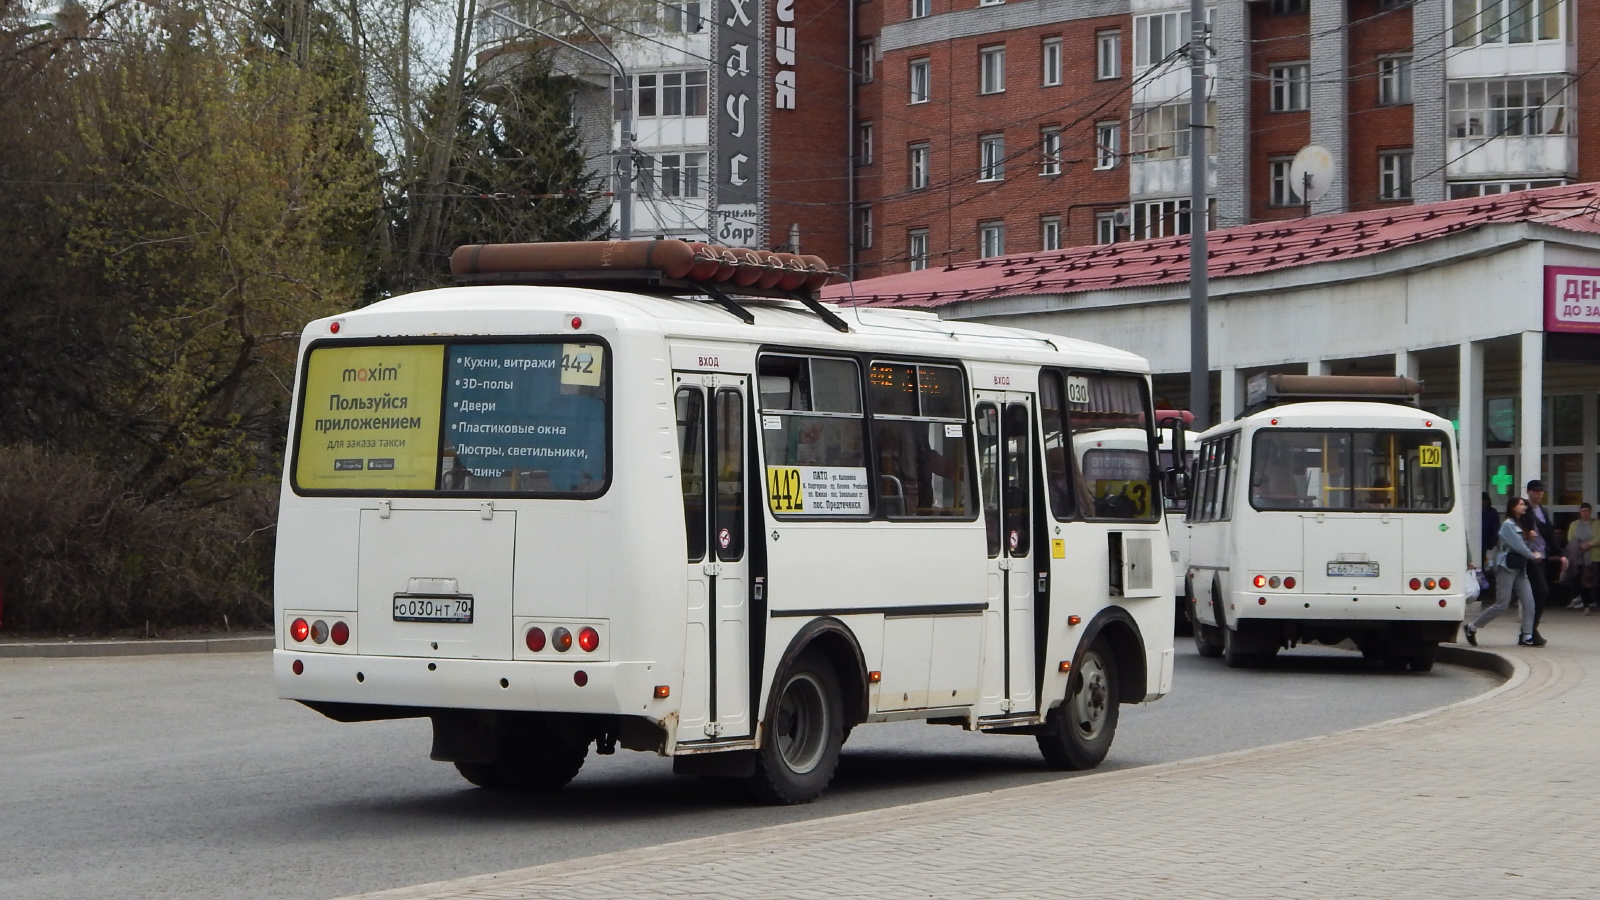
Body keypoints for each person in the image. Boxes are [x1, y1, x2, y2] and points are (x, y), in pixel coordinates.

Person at [1463, 495, 1542, 647]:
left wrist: (1531, 540)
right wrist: (1533, 556)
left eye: (1524, 504)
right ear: (1513, 507)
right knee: (1502, 604)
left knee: (1529, 602)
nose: (1524, 507)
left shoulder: (1522, 524)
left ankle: (1527, 635)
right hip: (1506, 567)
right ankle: (1472, 627)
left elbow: (1525, 547)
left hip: (1519, 567)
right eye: (1521, 504)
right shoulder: (1508, 525)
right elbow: (1518, 546)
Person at [1524, 479, 1563, 644]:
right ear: (1529, 492)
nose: (1539, 494)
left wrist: (1560, 554)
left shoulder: (1542, 510)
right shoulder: (1524, 510)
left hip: (1543, 557)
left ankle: (1528, 632)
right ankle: (1530, 631)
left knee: (1536, 594)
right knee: (1541, 591)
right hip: (1530, 558)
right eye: (1536, 490)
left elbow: (1550, 534)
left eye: (1541, 491)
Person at [1567, 502, 1600, 614]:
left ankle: (1595, 602)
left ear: (1590, 512)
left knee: (1596, 579)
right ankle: (1586, 603)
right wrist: (1580, 546)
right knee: (1582, 580)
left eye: (1586, 511)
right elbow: (1571, 538)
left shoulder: (1597, 523)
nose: (1584, 513)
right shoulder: (1574, 524)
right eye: (1582, 511)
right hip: (1579, 557)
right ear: (1580, 512)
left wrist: (1590, 544)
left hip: (1595, 556)